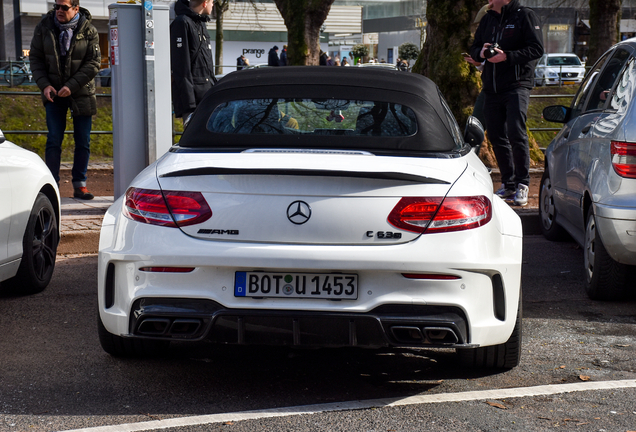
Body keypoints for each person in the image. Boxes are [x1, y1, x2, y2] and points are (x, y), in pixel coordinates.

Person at [470, 0, 543, 206]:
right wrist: (482, 53)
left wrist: (506, 57)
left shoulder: (524, 15)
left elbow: (536, 49)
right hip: (491, 88)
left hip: (517, 85)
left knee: (515, 132)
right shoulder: (487, 19)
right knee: (495, 135)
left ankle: (522, 184)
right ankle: (508, 183)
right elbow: (475, 47)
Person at [29, 0, 100, 200]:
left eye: (64, 7)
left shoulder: (89, 30)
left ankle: (80, 185)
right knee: (53, 140)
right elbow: (35, 58)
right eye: (56, 6)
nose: (59, 10)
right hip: (53, 93)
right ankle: (52, 186)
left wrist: (71, 86)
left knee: (83, 141)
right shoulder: (44, 27)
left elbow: (93, 63)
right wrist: (45, 85)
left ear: (76, 9)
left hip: (81, 92)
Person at [170, 0, 216, 124]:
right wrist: (189, 105)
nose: (213, 5)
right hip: (194, 103)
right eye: (212, 1)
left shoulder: (200, 23)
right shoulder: (182, 23)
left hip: (206, 98)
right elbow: (182, 67)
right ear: (205, 3)